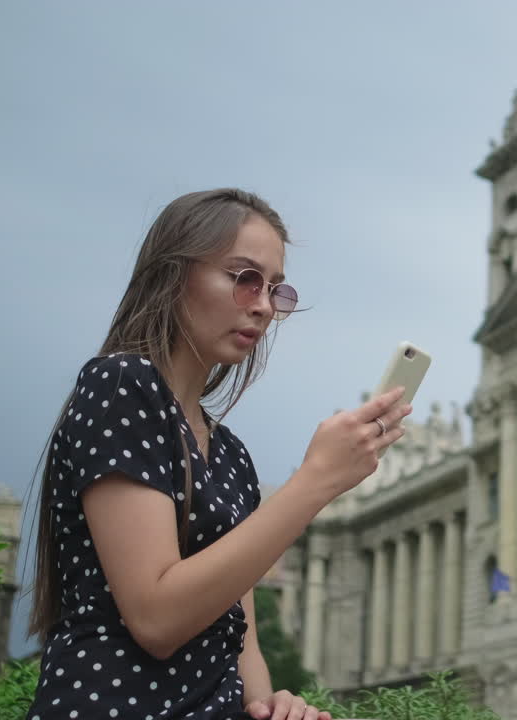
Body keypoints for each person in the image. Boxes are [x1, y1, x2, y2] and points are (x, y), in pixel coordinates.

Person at [23, 188, 411, 719]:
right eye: (243, 277)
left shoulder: (229, 453)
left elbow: (240, 640)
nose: (261, 306)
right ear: (173, 273)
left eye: (275, 289)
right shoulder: (120, 384)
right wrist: (316, 482)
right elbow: (156, 619)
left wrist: (274, 704)